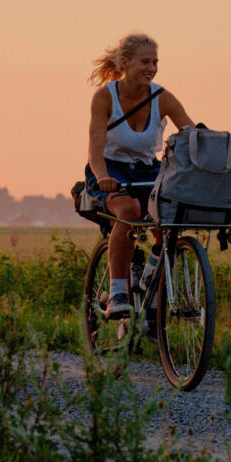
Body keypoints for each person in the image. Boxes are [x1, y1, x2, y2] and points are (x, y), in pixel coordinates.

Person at [86, 33, 194, 320]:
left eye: (155, 62)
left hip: (149, 170)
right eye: (145, 61)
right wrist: (102, 177)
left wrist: (206, 144)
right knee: (129, 210)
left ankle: (149, 285)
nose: (152, 68)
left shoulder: (162, 97)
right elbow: (94, 148)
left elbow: (191, 133)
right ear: (125, 63)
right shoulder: (104, 97)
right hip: (110, 170)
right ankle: (118, 292)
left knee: (169, 224)